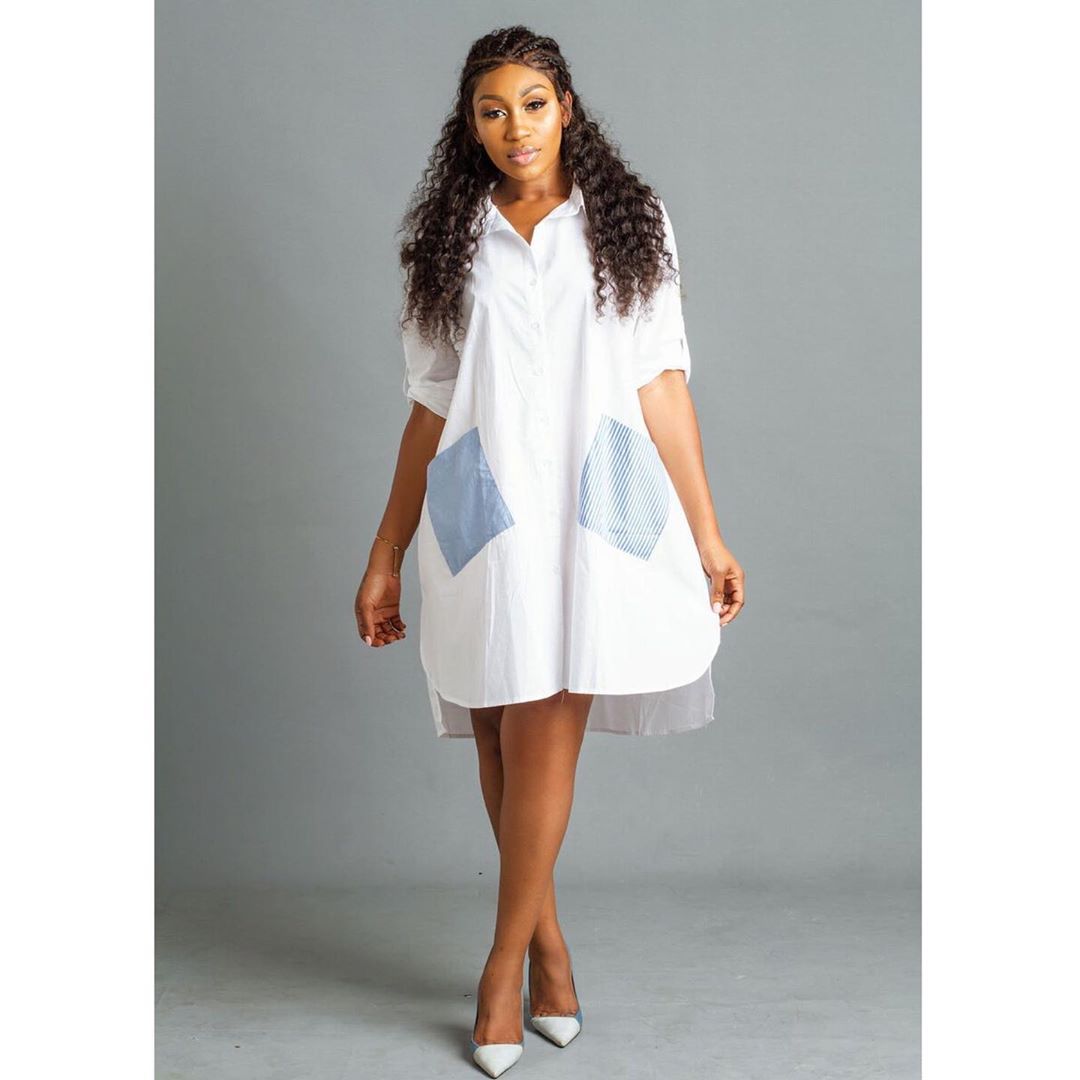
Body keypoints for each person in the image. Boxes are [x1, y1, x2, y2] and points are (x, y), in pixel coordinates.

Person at [355, 25, 745, 1078]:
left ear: (566, 106)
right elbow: (430, 402)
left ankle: (502, 969)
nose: (515, 127)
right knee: (495, 724)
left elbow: (661, 379)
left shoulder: (630, 221)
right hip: (480, 505)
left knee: (542, 720)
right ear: (469, 124)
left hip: (589, 506)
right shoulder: (449, 234)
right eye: (492, 110)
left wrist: (707, 532)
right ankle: (552, 950)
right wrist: (386, 550)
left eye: (532, 104)